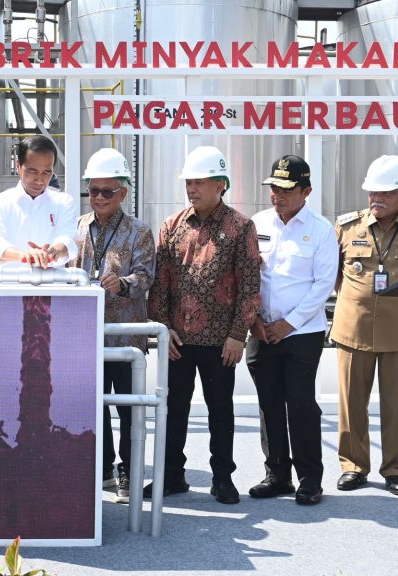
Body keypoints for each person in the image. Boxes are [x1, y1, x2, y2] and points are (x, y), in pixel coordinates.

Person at [147, 146, 261, 504]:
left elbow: (250, 286)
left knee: (220, 411)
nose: (191, 189)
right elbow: (159, 283)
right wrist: (163, 328)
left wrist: (236, 336)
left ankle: (223, 477)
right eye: (188, 182)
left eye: (199, 182)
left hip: (219, 343)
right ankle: (171, 476)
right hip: (178, 340)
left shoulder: (242, 228)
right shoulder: (172, 227)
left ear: (220, 184)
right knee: (173, 409)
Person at [331, 154, 398, 497]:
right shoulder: (346, 227)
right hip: (353, 329)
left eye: (386, 193)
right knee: (350, 402)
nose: (377, 198)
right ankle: (353, 467)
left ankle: (396, 470)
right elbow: (334, 279)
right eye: (372, 192)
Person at [246, 155, 338, 505]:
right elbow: (249, 276)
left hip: (301, 334)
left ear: (306, 191)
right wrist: (255, 321)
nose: (277, 195)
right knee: (269, 404)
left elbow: (322, 285)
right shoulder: (257, 224)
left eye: (286, 189)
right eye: (273, 188)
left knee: (299, 404)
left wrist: (287, 324)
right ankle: (277, 474)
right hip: (261, 331)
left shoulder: (321, 230)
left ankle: (309, 478)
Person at [71, 148, 155, 504]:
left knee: (128, 406)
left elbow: (146, 276)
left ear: (123, 193)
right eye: (94, 190)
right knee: (92, 403)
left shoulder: (139, 232)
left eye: (108, 191)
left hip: (126, 335)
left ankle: (129, 471)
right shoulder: (79, 226)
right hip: (87, 334)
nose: (100, 198)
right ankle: (102, 466)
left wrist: (122, 283)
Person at [0, 135, 77, 268]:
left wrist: (54, 251)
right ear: (18, 166)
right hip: (10, 285)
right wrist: (25, 256)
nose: (39, 180)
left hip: (53, 286)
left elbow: (68, 240)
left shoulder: (64, 202)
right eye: (32, 171)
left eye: (46, 172)